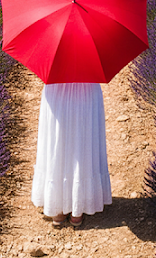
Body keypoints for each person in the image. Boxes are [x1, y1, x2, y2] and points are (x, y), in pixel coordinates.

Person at [31, 81, 112, 226]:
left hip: (56, 89)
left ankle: (57, 209)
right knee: (83, 141)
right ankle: (77, 210)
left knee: (57, 142)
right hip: (86, 91)